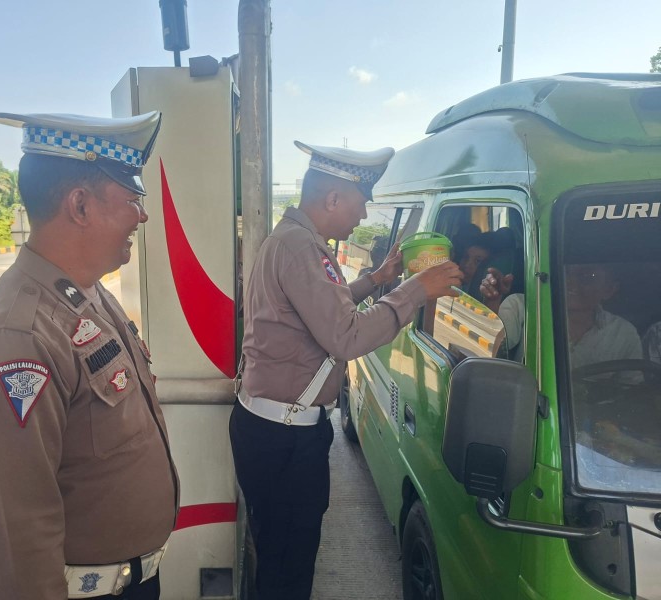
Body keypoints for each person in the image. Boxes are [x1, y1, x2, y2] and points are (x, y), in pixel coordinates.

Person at [0, 111, 178, 600]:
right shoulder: (15, 337)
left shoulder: (83, 294)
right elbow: (17, 535)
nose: (142, 214)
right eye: (132, 197)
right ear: (80, 205)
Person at [229, 140, 463, 600]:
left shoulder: (294, 241)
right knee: (286, 571)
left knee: (280, 558)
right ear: (332, 198)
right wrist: (416, 289)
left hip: (275, 430)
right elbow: (347, 337)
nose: (363, 214)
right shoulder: (300, 248)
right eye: (361, 201)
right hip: (284, 440)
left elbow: (322, 313)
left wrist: (378, 280)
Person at [480, 263, 641, 366]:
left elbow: (631, 391)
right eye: (565, 273)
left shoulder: (623, 333)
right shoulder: (521, 307)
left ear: (609, 289)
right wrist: (493, 301)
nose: (569, 283)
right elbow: (486, 357)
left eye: (587, 277)